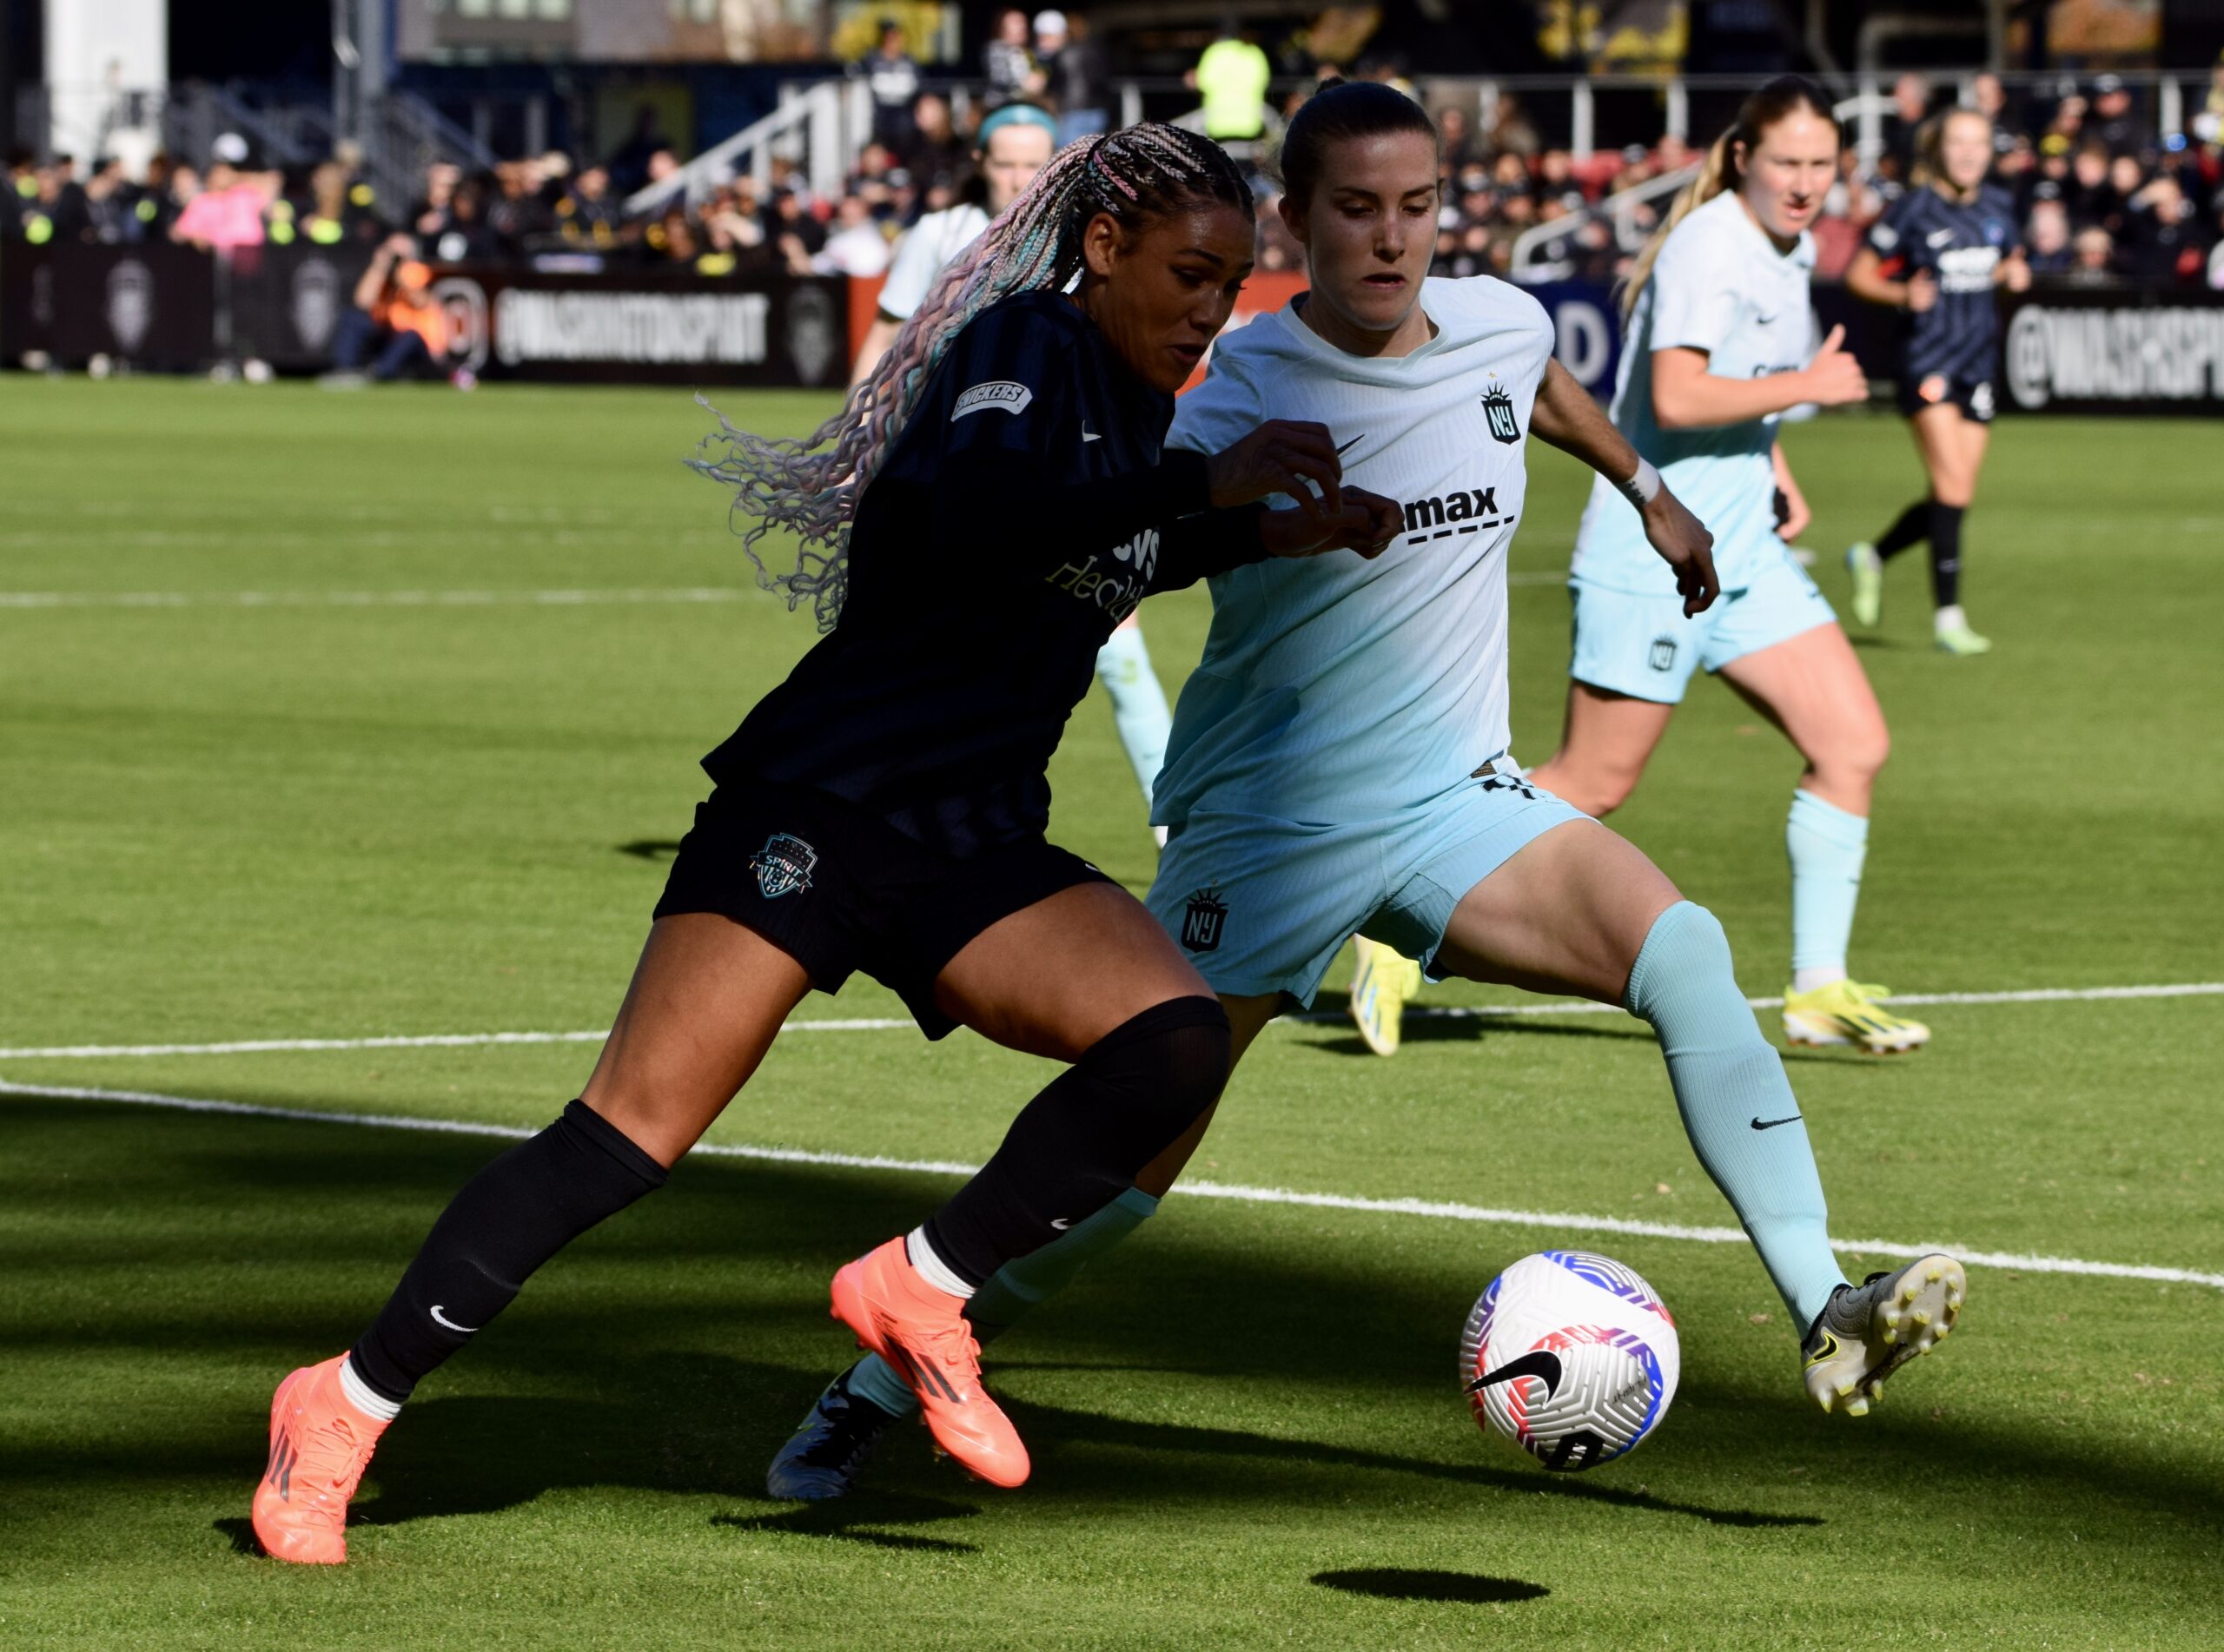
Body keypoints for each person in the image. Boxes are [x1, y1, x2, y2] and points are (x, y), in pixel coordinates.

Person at [768, 80, 1967, 1502]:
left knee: (1687, 952)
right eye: (1354, 210)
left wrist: (1647, 484)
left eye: (1416, 207)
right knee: (1122, 1182)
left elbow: (1538, 384)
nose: (1390, 240)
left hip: (1458, 798)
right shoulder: (1240, 391)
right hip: (1267, 830)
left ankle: (1827, 1304)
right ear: (1298, 219)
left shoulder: (1505, 326)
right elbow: (1094, 547)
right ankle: (866, 1390)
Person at [250, 121, 1402, 1564]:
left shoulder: (1133, 409)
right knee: (624, 1136)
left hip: (973, 838)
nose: (1206, 310)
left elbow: (1095, 556)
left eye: (1230, 284)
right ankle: (344, 1404)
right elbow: (990, 518)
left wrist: (1271, 533)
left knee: (1171, 1038)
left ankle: (927, 1284)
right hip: (825, 801)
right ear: (1103, 249)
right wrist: (1204, 488)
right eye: (1186, 273)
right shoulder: (1030, 350)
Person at [1527, 76, 1934, 1059]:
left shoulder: (1783, 246)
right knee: (1593, 780)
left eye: (1821, 167)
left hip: (1743, 548)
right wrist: (1811, 387)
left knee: (1851, 745)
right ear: (1744, 158)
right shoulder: (1715, 242)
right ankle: (1405, 902)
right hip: (1654, 548)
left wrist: (1777, 463)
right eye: (1787, 164)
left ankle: (1816, 991)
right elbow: (1675, 391)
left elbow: (1736, 395)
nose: (1804, 184)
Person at [855, 102, 1181, 844]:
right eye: (1004, 160)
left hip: (1060, 473)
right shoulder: (939, 236)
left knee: (1118, 646)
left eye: (1035, 160)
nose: (1018, 175)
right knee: (930, 655)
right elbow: (884, 342)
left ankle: (1175, 831)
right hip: (939, 477)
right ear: (981, 160)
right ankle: (901, 817)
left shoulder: (1084, 243)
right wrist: (861, 447)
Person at [1843, 109, 2029, 656]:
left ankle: (1873, 556)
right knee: (1952, 488)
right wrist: (1902, 294)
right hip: (1927, 363)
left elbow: (2005, 262)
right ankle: (1948, 616)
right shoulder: (1914, 210)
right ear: (1939, 151)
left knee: (1956, 493)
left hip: (1979, 366)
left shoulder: (1998, 207)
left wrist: (2013, 276)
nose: (1970, 153)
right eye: (1959, 143)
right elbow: (1858, 275)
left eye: (1978, 144)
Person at [325, 237, 450, 383]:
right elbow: (362, 301)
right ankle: (345, 371)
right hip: (391, 335)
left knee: (410, 336)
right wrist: (379, 266)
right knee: (352, 317)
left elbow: (422, 301)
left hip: (420, 343)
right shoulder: (382, 276)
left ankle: (379, 373)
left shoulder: (416, 270)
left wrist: (402, 275)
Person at [1189, 23, 1272, 143]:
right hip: (1250, 126)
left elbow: (1201, 83)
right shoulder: (1254, 53)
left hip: (1218, 128)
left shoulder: (1213, 53)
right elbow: (1264, 81)